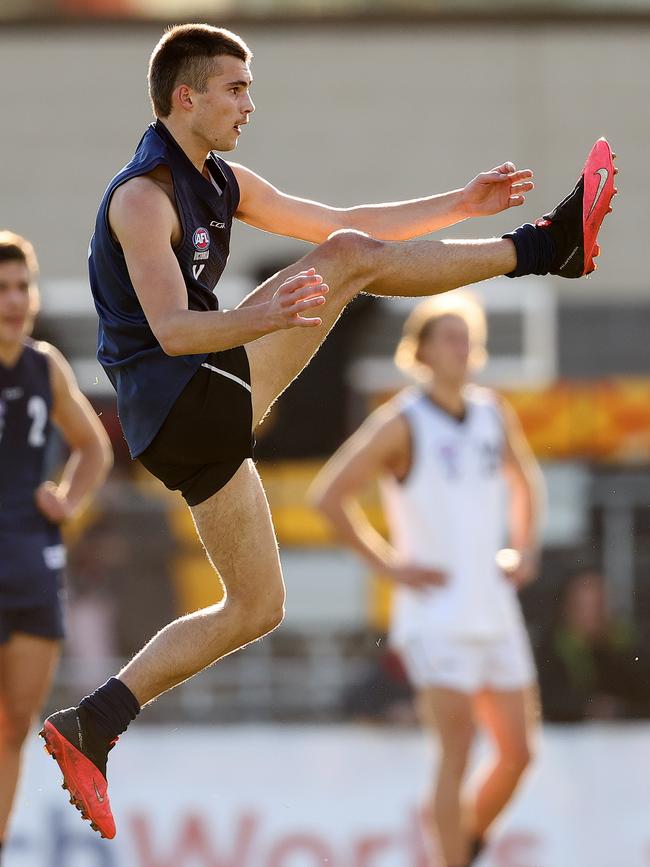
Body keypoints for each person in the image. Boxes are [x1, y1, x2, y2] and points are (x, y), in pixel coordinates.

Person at [40, 23, 615, 840]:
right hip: (183, 391)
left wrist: (458, 201)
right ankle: (547, 248)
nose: (248, 103)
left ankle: (93, 722)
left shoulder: (219, 179)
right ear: (185, 96)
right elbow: (169, 328)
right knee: (347, 259)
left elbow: (340, 218)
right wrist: (258, 312)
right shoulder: (142, 196)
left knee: (257, 605)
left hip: (193, 420)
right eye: (234, 88)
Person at [311, 293, 544, 867]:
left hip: (493, 606)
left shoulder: (492, 412)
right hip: (436, 613)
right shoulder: (402, 422)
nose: (461, 349)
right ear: (421, 351)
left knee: (518, 753)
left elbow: (525, 481)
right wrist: (389, 564)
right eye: (448, 337)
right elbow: (330, 496)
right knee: (458, 748)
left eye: (467, 337)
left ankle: (463, 848)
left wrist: (524, 548)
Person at [0, 231, 112, 862]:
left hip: (31, 560)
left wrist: (68, 501)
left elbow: (92, 446)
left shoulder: (44, 365)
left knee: (15, 724)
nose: (16, 301)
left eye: (24, 287)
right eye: (2, 290)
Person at [537, 568, 647, 723]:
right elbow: (546, 700)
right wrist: (586, 708)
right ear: (568, 608)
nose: (594, 615)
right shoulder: (551, 649)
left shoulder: (628, 645)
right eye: (585, 606)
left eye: (600, 606)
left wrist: (620, 709)